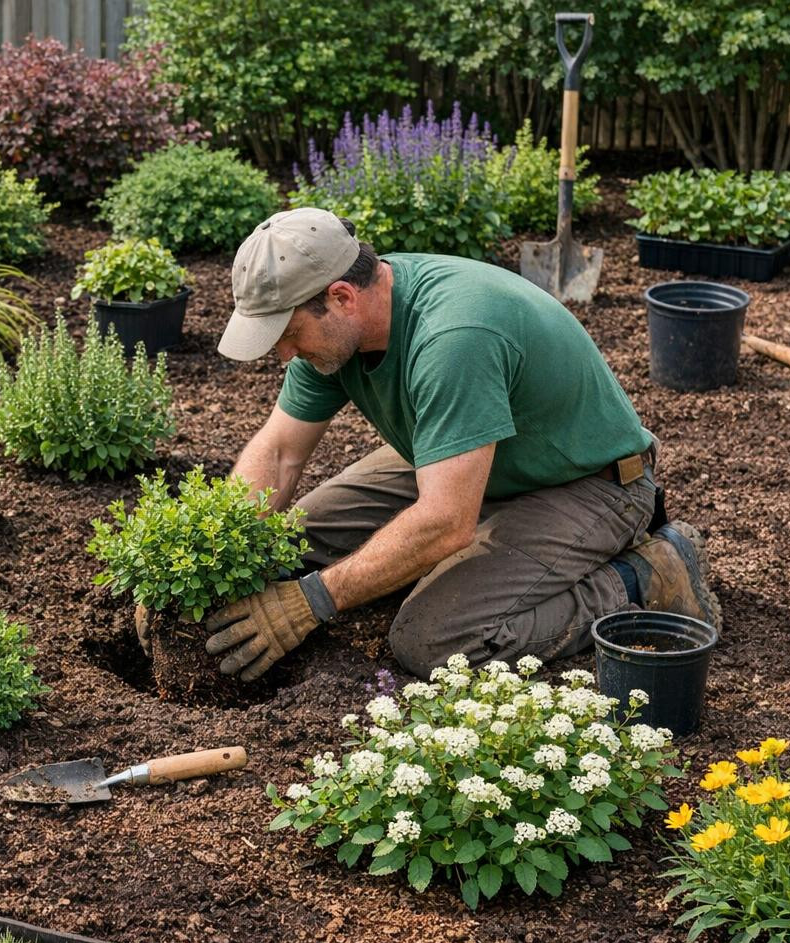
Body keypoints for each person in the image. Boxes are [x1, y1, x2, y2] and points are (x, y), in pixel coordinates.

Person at [198, 207, 721, 682]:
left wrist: (311, 601)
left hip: (590, 484)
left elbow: (447, 522)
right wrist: (221, 550)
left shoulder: (453, 336)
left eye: (287, 333)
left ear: (341, 297)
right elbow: (281, 450)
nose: (284, 354)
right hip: (471, 462)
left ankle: (646, 577)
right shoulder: (339, 331)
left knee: (434, 640)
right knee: (289, 542)